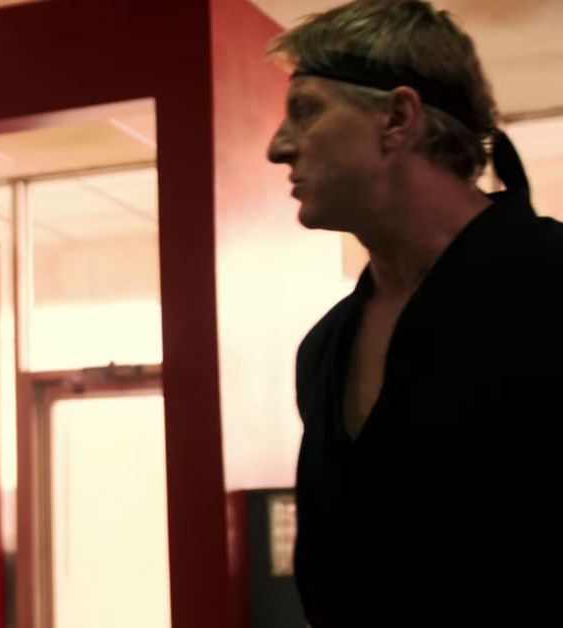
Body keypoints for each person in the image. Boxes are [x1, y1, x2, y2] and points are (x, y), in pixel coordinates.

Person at [267, 1, 560, 625]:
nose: (278, 147)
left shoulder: (552, 288)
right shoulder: (324, 349)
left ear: (397, 118)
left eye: (306, 110)